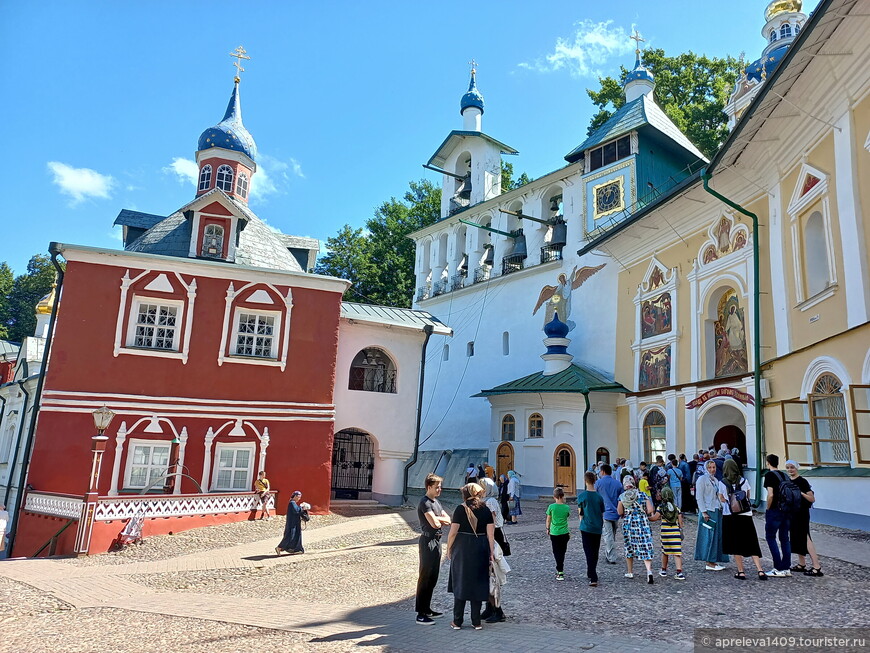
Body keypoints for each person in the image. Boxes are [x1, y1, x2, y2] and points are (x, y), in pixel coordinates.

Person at [447, 483, 495, 630]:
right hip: (480, 546)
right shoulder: (485, 509)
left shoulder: (460, 509)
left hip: (462, 547)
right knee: (478, 582)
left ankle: (457, 620)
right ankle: (476, 621)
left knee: (460, 581)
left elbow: (453, 532)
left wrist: (449, 548)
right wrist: (491, 552)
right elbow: (490, 534)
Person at [719, 459, 767, 581]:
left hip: (730, 516)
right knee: (752, 542)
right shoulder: (743, 481)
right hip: (745, 515)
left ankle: (741, 571)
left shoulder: (723, 483)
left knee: (736, 544)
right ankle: (760, 570)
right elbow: (748, 496)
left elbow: (722, 499)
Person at [415, 473, 451, 625]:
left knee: (433, 576)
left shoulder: (436, 502)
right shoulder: (425, 503)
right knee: (425, 576)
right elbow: (434, 524)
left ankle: (427, 608)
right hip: (428, 541)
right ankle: (420, 613)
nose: (439, 489)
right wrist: (439, 520)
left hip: (437, 540)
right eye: (437, 487)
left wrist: (439, 519)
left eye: (440, 487)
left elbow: (448, 520)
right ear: (429, 487)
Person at [785, 460, 823, 577]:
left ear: (797, 468)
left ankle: (816, 566)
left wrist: (800, 493)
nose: (790, 470)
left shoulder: (802, 481)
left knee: (805, 537)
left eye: (792, 467)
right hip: (792, 513)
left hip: (801, 513)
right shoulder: (787, 481)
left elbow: (812, 499)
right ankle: (802, 564)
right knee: (796, 538)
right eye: (788, 467)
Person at [617, 475, 657, 583]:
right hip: (643, 522)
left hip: (629, 523)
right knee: (645, 545)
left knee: (629, 547)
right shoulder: (643, 494)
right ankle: (649, 571)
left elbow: (620, 512)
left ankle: (630, 572)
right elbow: (650, 510)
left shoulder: (622, 496)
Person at [478, 478, 508, 623]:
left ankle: (498, 610)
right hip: (489, 535)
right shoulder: (487, 500)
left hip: (493, 537)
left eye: (481, 487)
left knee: (493, 576)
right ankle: (489, 607)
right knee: (487, 576)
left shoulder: (490, 502)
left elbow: (492, 521)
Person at [694, 459, 729, 571]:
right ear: (706, 468)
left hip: (716, 509)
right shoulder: (702, 479)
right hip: (708, 510)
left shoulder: (715, 480)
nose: (712, 470)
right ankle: (709, 561)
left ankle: (714, 559)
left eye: (713, 467)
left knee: (717, 536)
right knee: (709, 537)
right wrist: (703, 511)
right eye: (710, 468)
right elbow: (699, 496)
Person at [763, 453, 792, 577]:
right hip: (787, 510)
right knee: (785, 539)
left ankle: (778, 567)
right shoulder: (785, 475)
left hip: (775, 509)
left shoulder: (769, 475)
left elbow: (771, 494)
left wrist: (768, 508)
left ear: (768, 462)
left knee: (770, 537)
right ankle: (786, 567)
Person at [577, 471, 605, 586]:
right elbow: (602, 512)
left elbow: (581, 513)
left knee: (588, 550)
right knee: (595, 550)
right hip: (597, 526)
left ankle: (593, 575)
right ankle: (591, 571)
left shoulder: (582, 496)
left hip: (586, 526)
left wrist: (581, 522)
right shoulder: (599, 497)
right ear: (594, 481)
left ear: (585, 481)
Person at [594, 464, 623, 564]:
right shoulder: (618, 484)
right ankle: (609, 553)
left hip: (605, 512)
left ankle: (611, 556)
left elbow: (595, 497)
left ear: (602, 471)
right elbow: (621, 499)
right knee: (612, 534)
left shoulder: (598, 483)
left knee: (608, 535)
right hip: (616, 513)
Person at [655, 486, 685, 580]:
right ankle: (679, 572)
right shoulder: (676, 508)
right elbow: (680, 522)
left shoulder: (661, 507)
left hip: (665, 533)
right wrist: (680, 528)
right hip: (675, 533)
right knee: (677, 553)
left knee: (665, 552)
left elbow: (655, 517)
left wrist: (648, 517)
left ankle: (663, 570)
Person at [546, 487, 571, 581]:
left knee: (556, 551)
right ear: (563, 496)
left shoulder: (551, 507)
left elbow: (548, 519)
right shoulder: (566, 507)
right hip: (564, 532)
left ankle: (560, 570)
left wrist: (547, 528)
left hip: (554, 532)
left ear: (554, 497)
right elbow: (567, 516)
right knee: (562, 551)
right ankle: (560, 568)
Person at [275, 491, 306, 555]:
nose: (299, 499)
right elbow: (296, 511)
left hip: (295, 523)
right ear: (295, 496)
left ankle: (297, 549)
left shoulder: (294, 503)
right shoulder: (292, 503)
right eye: (298, 497)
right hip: (292, 524)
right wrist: (302, 507)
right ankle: (279, 547)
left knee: (296, 536)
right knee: (290, 536)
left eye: (300, 497)